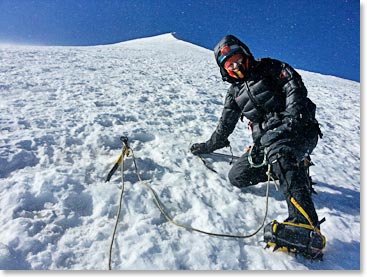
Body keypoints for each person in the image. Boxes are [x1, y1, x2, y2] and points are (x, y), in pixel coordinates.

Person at [190, 35, 325, 258]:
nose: (235, 66)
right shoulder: (234, 94)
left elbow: (295, 90)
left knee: (279, 150)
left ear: (245, 55)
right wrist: (206, 146)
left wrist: (290, 121)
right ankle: (295, 170)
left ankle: (306, 226)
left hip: (300, 130)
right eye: (228, 64)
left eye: (236, 59)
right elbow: (224, 127)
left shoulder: (271, 67)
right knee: (238, 176)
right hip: (267, 144)